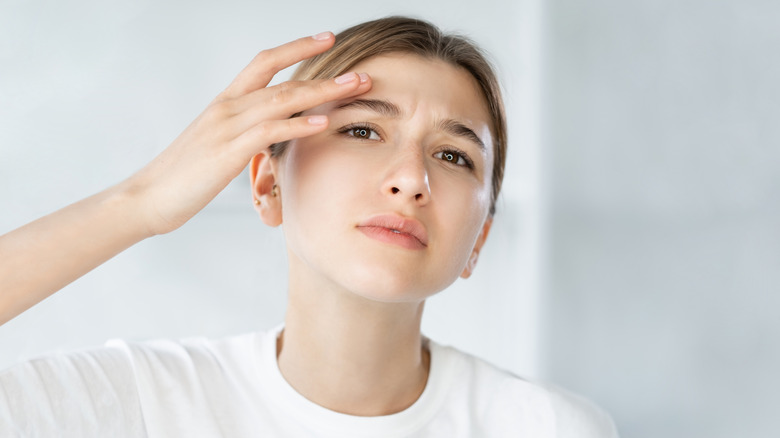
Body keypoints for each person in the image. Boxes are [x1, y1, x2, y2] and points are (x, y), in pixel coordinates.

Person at [0, 16, 618, 437]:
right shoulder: (139, 404)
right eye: (363, 130)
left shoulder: (544, 427)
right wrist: (141, 203)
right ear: (267, 184)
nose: (411, 179)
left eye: (454, 156)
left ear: (478, 238)